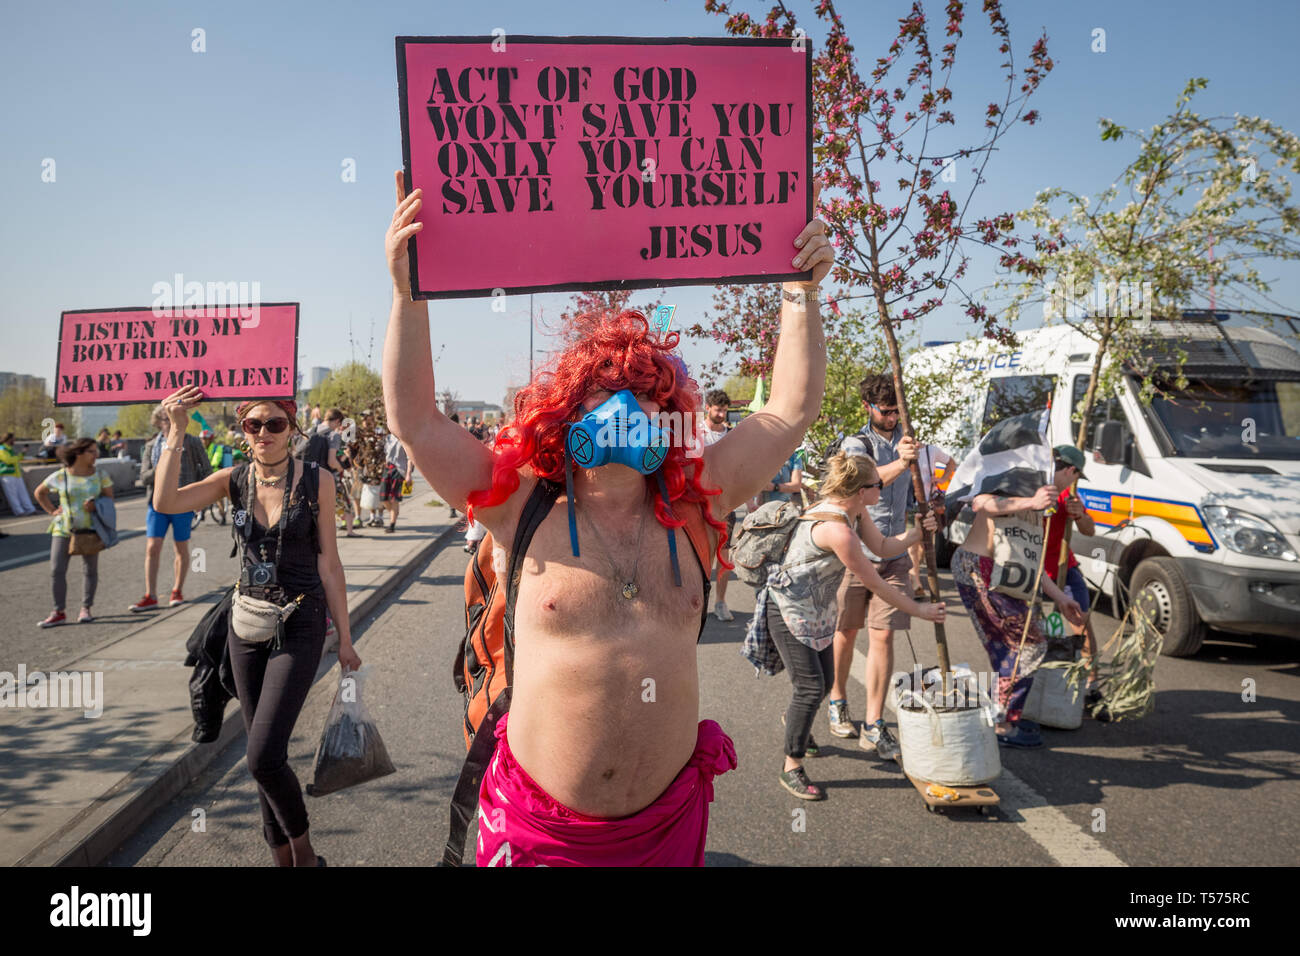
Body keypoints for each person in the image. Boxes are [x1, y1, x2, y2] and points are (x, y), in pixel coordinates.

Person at [383, 169, 832, 865]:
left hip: (666, 829)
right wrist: (408, 296)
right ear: (566, 412)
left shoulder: (697, 508)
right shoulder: (519, 506)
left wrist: (800, 292)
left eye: (645, 393)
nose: (626, 407)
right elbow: (415, 420)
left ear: (671, 412)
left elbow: (788, 410)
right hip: (538, 832)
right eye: (603, 392)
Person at [154, 387, 360, 866]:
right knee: (261, 757)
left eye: (274, 424)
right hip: (245, 622)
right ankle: (281, 859)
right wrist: (177, 430)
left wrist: (345, 638)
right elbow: (166, 502)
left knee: (263, 756)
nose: (264, 433)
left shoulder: (317, 481)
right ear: (243, 432)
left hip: (302, 621)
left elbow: (330, 562)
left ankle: (306, 856)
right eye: (253, 425)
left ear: (293, 429)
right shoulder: (235, 479)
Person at [756, 453, 945, 799]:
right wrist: (921, 611)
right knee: (811, 688)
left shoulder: (855, 511)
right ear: (860, 490)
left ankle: (795, 721)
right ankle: (791, 765)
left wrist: (915, 534)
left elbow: (883, 547)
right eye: (878, 485)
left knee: (825, 682)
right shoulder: (837, 530)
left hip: (817, 612)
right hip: (789, 611)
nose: (882, 488)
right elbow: (876, 583)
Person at [951, 476, 1086, 748]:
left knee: (1014, 647)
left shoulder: (1040, 505)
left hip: (1001, 576)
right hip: (978, 570)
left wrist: (1060, 598)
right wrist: (1032, 501)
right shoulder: (1012, 487)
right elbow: (982, 503)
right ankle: (1001, 723)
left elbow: (1029, 558)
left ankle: (1002, 717)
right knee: (1026, 647)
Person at [825, 374, 921, 755]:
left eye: (897, 409)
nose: (893, 416)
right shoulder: (856, 443)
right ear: (869, 407)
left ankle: (875, 722)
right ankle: (837, 700)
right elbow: (867, 481)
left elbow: (922, 477)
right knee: (846, 632)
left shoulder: (908, 439)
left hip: (894, 553)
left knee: (883, 635)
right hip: (855, 552)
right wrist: (902, 462)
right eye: (886, 410)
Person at [133, 406, 211, 611]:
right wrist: (162, 466)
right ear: (158, 421)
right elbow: (143, 477)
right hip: (156, 504)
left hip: (183, 501)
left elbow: (207, 470)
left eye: (171, 417)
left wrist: (201, 500)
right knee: (152, 548)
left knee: (181, 547)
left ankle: (177, 590)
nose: (168, 421)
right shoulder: (152, 446)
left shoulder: (192, 441)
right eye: (164, 418)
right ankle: (150, 595)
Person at [1042, 444, 1102, 707]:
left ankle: (1092, 685)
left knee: (1081, 622)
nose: (1077, 480)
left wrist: (1078, 516)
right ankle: (1025, 685)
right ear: (1070, 470)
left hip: (1063, 566)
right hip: (1030, 569)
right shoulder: (1034, 487)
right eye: (1077, 474)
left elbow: (1090, 531)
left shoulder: (1070, 494)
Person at [33, 438, 114, 627]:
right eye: (92, 452)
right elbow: (40, 492)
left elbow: (110, 500)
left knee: (90, 571)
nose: (97, 455)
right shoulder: (61, 476)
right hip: (63, 529)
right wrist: (52, 511)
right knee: (56, 570)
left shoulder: (100, 475)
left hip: (90, 529)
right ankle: (58, 611)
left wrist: (96, 505)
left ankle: (86, 608)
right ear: (79, 454)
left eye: (96, 451)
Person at [698, 389, 740, 621]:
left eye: (724, 410)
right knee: (701, 556)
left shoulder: (731, 435)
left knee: (724, 556)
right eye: (718, 409)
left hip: (725, 503)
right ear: (708, 408)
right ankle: (700, 601)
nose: (722, 413)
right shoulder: (696, 433)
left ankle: (721, 602)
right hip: (699, 502)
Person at [907, 441, 956, 596]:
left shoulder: (930, 450)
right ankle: (916, 583)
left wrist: (942, 480)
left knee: (924, 543)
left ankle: (915, 574)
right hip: (909, 502)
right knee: (912, 543)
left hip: (928, 503)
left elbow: (951, 462)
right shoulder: (900, 450)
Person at [316, 409, 360, 537]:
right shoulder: (333, 435)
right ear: (336, 421)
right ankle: (350, 531)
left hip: (312, 475)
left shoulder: (312, 430)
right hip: (329, 476)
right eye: (340, 423)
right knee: (345, 502)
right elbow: (331, 461)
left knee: (319, 506)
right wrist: (341, 468)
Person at [380, 430, 413, 534]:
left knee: (394, 499)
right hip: (388, 468)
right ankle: (394, 513)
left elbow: (410, 458)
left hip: (399, 470)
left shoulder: (405, 439)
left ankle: (392, 524)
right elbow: (385, 454)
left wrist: (408, 474)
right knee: (383, 498)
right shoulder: (388, 438)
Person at [201, 428, 236, 523]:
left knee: (218, 498)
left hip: (216, 473)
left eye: (205, 438)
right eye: (202, 438)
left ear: (210, 439)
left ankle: (223, 516)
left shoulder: (217, 448)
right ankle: (202, 512)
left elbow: (216, 460)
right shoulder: (203, 449)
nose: (203, 440)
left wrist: (209, 465)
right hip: (207, 473)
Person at [0, 432, 38, 516]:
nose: (14, 440)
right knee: (12, 495)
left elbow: (16, 459)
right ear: (8, 439)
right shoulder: (2, 449)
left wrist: (23, 453)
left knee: (23, 493)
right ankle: (19, 512)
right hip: (7, 475)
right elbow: (8, 460)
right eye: (13, 438)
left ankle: (30, 509)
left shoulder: (9, 449)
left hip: (16, 474)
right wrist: (17, 457)